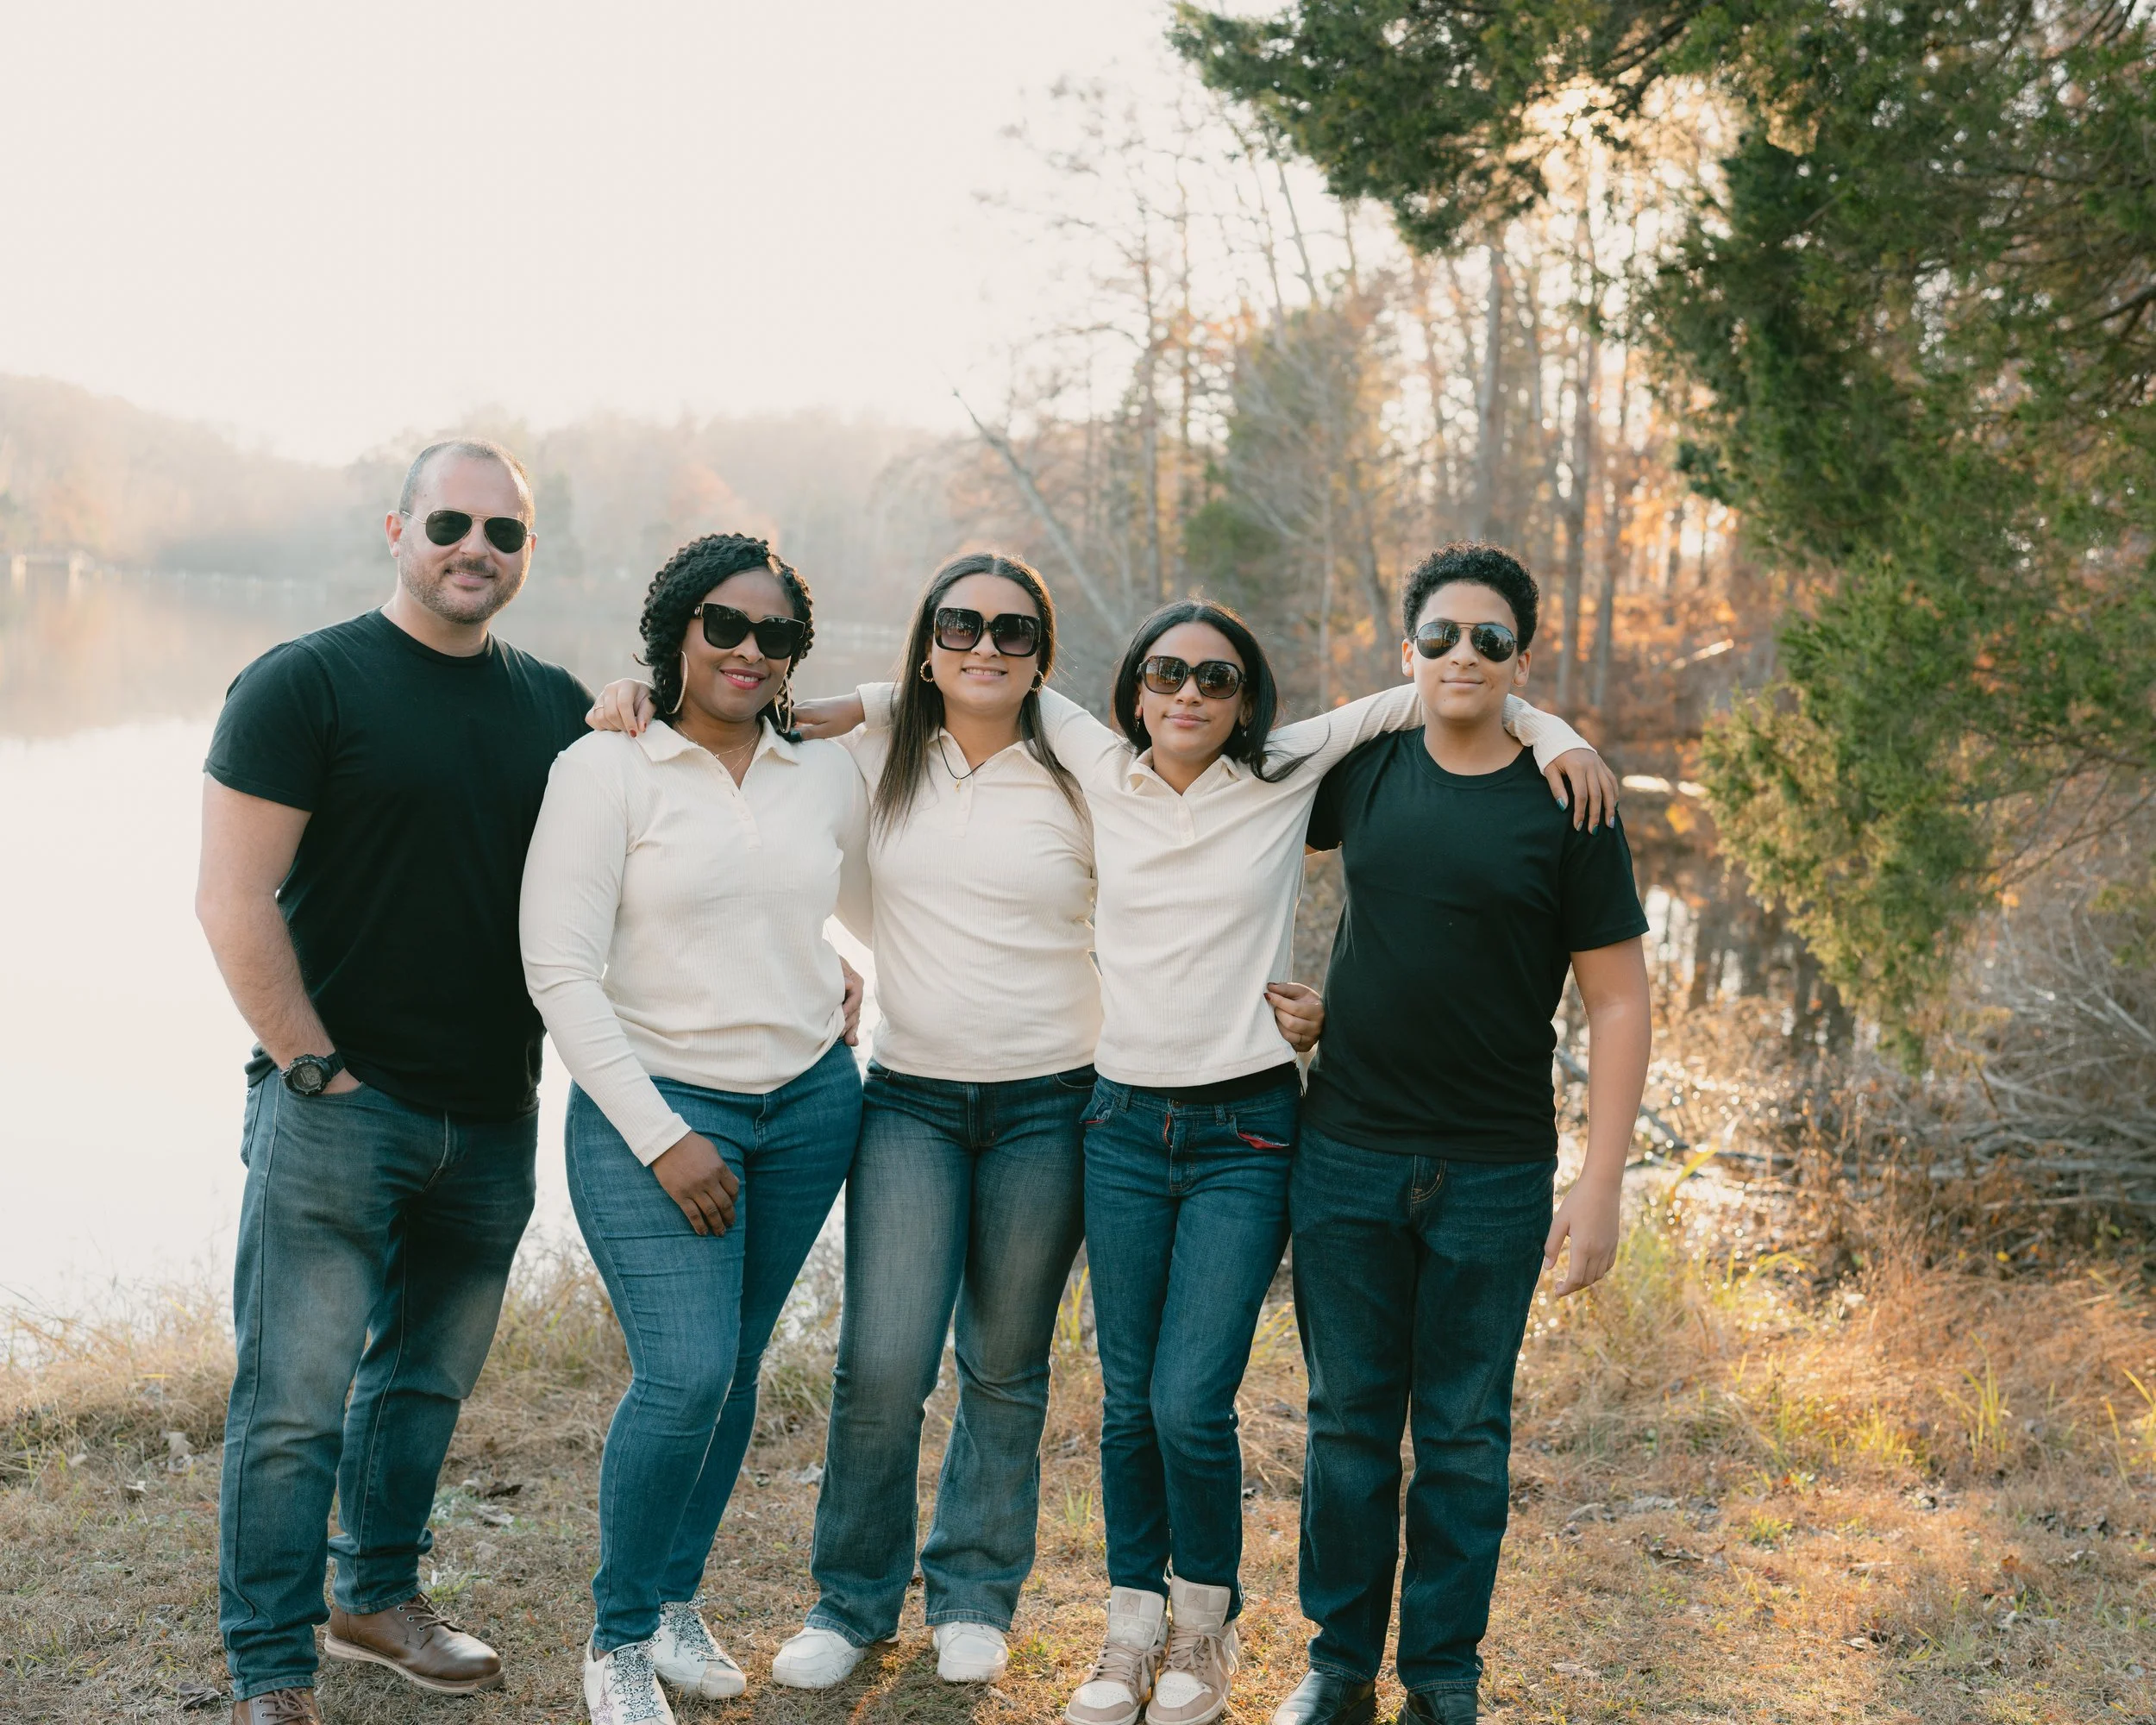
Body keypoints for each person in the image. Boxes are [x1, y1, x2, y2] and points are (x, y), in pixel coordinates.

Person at [795, 599, 1614, 1725]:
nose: (1190, 693)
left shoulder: (1282, 772)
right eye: (1168, 674)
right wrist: (865, 700)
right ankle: (1130, 1633)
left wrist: (1556, 733)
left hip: (1250, 1134)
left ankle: (1204, 1625)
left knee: (1190, 1401)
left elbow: (1424, 686)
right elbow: (993, 685)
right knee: (1128, 1402)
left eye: (1217, 679)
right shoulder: (1098, 764)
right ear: (1135, 690)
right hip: (1120, 1127)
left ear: (1245, 701)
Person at [583, 554, 1325, 1693]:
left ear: (1043, 658)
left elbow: (1181, 906)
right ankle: (852, 1600)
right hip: (911, 1099)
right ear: (926, 642)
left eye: (1014, 631)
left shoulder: (1089, 771)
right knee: (881, 1360)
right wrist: (635, 707)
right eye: (961, 625)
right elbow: (747, 824)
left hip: (1055, 1100)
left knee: (1006, 1362)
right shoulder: (866, 751)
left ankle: (975, 1593)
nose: (987, 645)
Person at [196, 441, 592, 1723]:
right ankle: (270, 1668)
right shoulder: (303, 684)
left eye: (506, 532)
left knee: (421, 1387)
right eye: (452, 523)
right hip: (337, 1112)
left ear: (528, 551)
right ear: (396, 529)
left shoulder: (558, 708)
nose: (477, 547)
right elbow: (231, 897)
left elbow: (647, 863)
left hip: (491, 1113)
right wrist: (313, 1066)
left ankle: (373, 1597)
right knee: (294, 1406)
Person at [1272, 545, 1651, 1725]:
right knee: (1344, 1428)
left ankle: (1442, 1677)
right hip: (1345, 1152)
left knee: (1463, 1438)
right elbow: (1231, 819)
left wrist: (1601, 1183)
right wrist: (1287, 1000)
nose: (1463, 656)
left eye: (1491, 640)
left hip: (1493, 1168)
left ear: (1521, 662)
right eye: (1440, 636)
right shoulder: (1366, 770)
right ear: (1408, 654)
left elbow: (1620, 998)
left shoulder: (1568, 797)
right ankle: (1338, 1667)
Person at [520, 533, 871, 1725]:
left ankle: (675, 1602)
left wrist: (841, 967)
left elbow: (883, 903)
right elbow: (560, 972)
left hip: (813, 1104)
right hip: (654, 1109)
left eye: (777, 637)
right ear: (676, 628)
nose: (750, 652)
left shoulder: (823, 773)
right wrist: (664, 1136)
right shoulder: (605, 767)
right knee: (688, 1371)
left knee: (734, 1375)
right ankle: (617, 1641)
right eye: (725, 625)